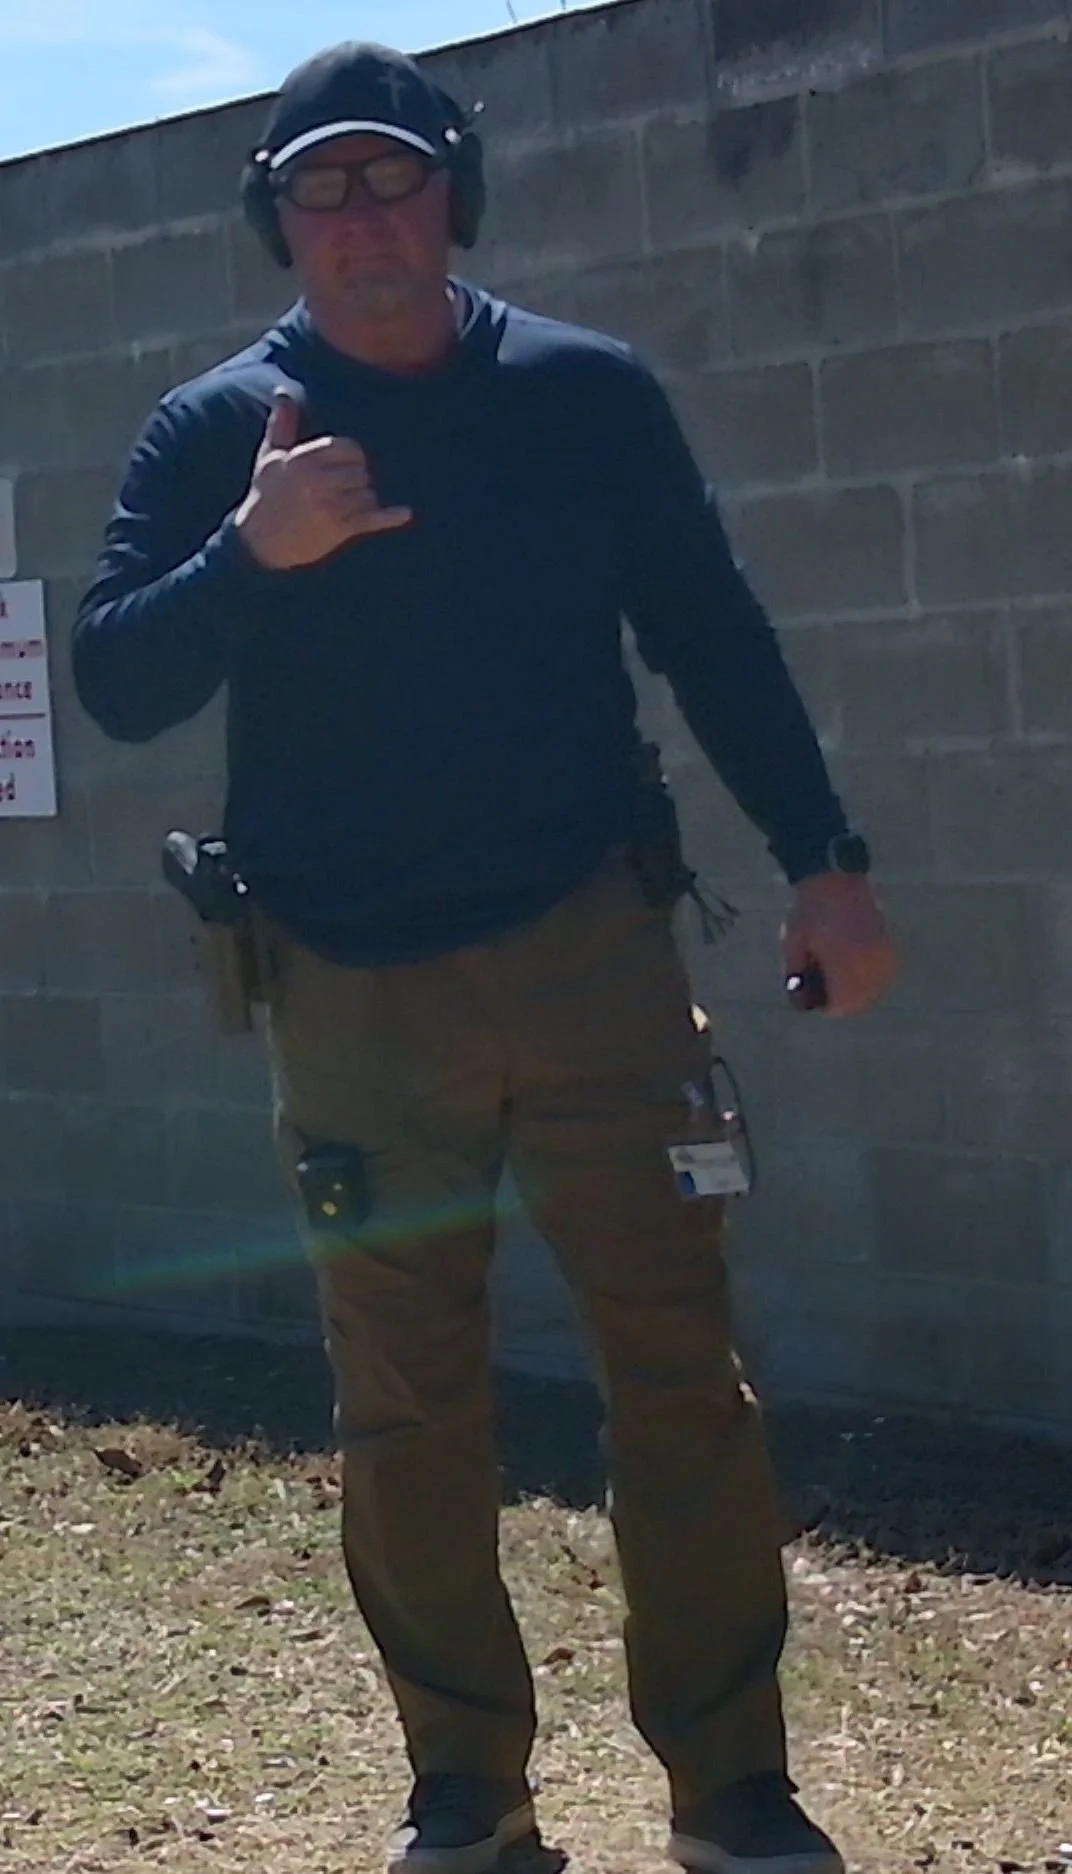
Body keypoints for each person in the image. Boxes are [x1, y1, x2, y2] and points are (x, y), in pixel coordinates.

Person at [73, 42, 896, 1874]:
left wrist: (826, 867)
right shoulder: (216, 432)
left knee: (679, 1373)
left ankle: (733, 1789)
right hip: (350, 986)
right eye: (322, 187)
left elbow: (713, 634)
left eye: (394, 178)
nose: (361, 217)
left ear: (456, 195)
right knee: (408, 1404)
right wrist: (255, 552)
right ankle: (469, 1791)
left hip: (594, 954)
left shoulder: (583, 396)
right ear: (279, 220)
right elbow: (117, 675)